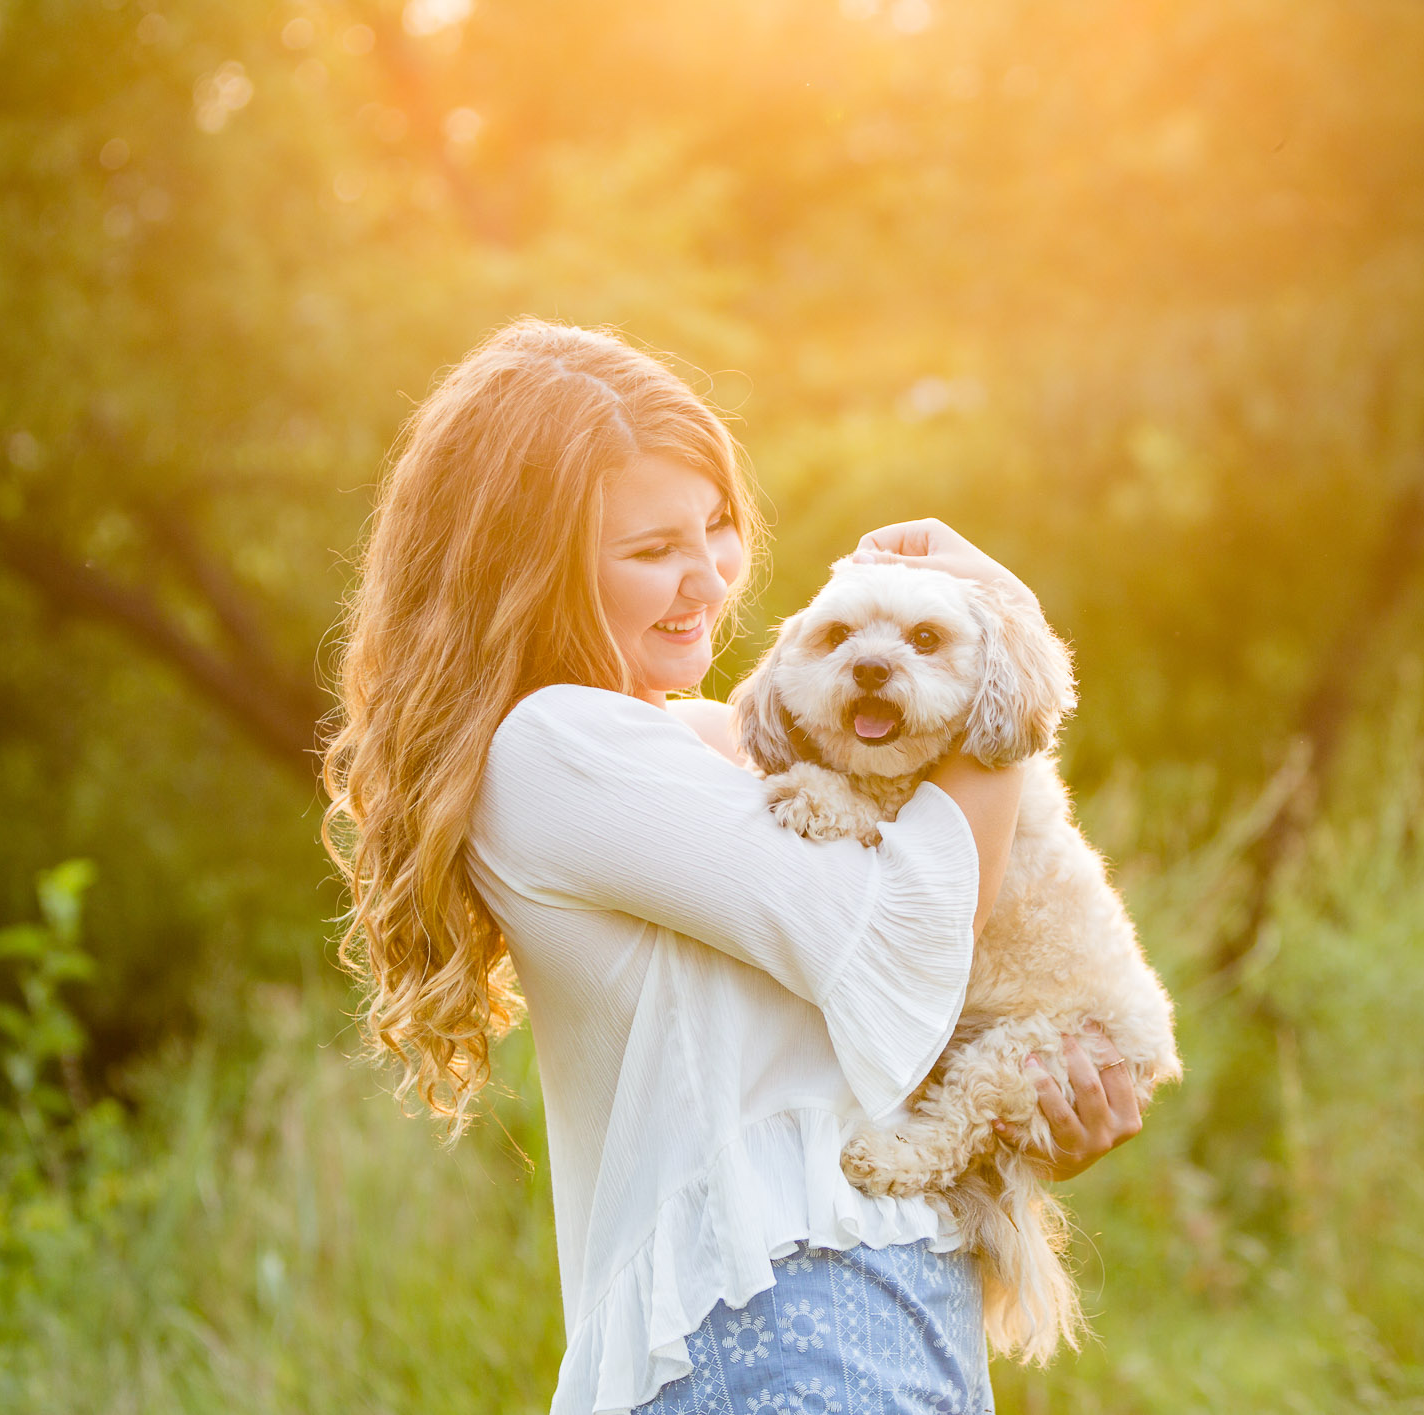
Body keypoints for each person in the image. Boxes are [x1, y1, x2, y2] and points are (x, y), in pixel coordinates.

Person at [321, 321, 1145, 1415]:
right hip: (771, 1332)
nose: (707, 577)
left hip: (890, 1315)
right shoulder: (560, 747)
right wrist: (1010, 650)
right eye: (652, 549)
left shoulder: (716, 748)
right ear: (531, 573)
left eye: (715, 527)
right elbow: (906, 938)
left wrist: (1028, 1107)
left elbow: (890, 1019)